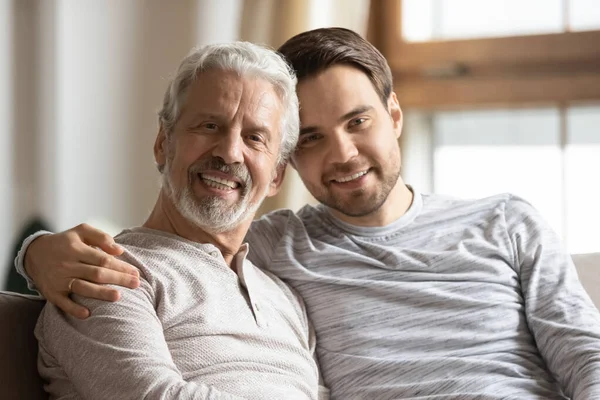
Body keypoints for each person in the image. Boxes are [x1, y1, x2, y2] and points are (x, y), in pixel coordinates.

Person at [17, 28, 600, 399]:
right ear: (162, 144)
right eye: (208, 126)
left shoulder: (277, 284)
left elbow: (584, 354)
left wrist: (28, 251)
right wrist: (36, 252)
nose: (343, 155)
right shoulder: (122, 271)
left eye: (358, 122)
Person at [23, 42, 327, 400]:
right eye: (210, 125)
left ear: (276, 175)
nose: (229, 152)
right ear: (162, 143)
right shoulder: (107, 272)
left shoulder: (287, 300)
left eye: (254, 138)